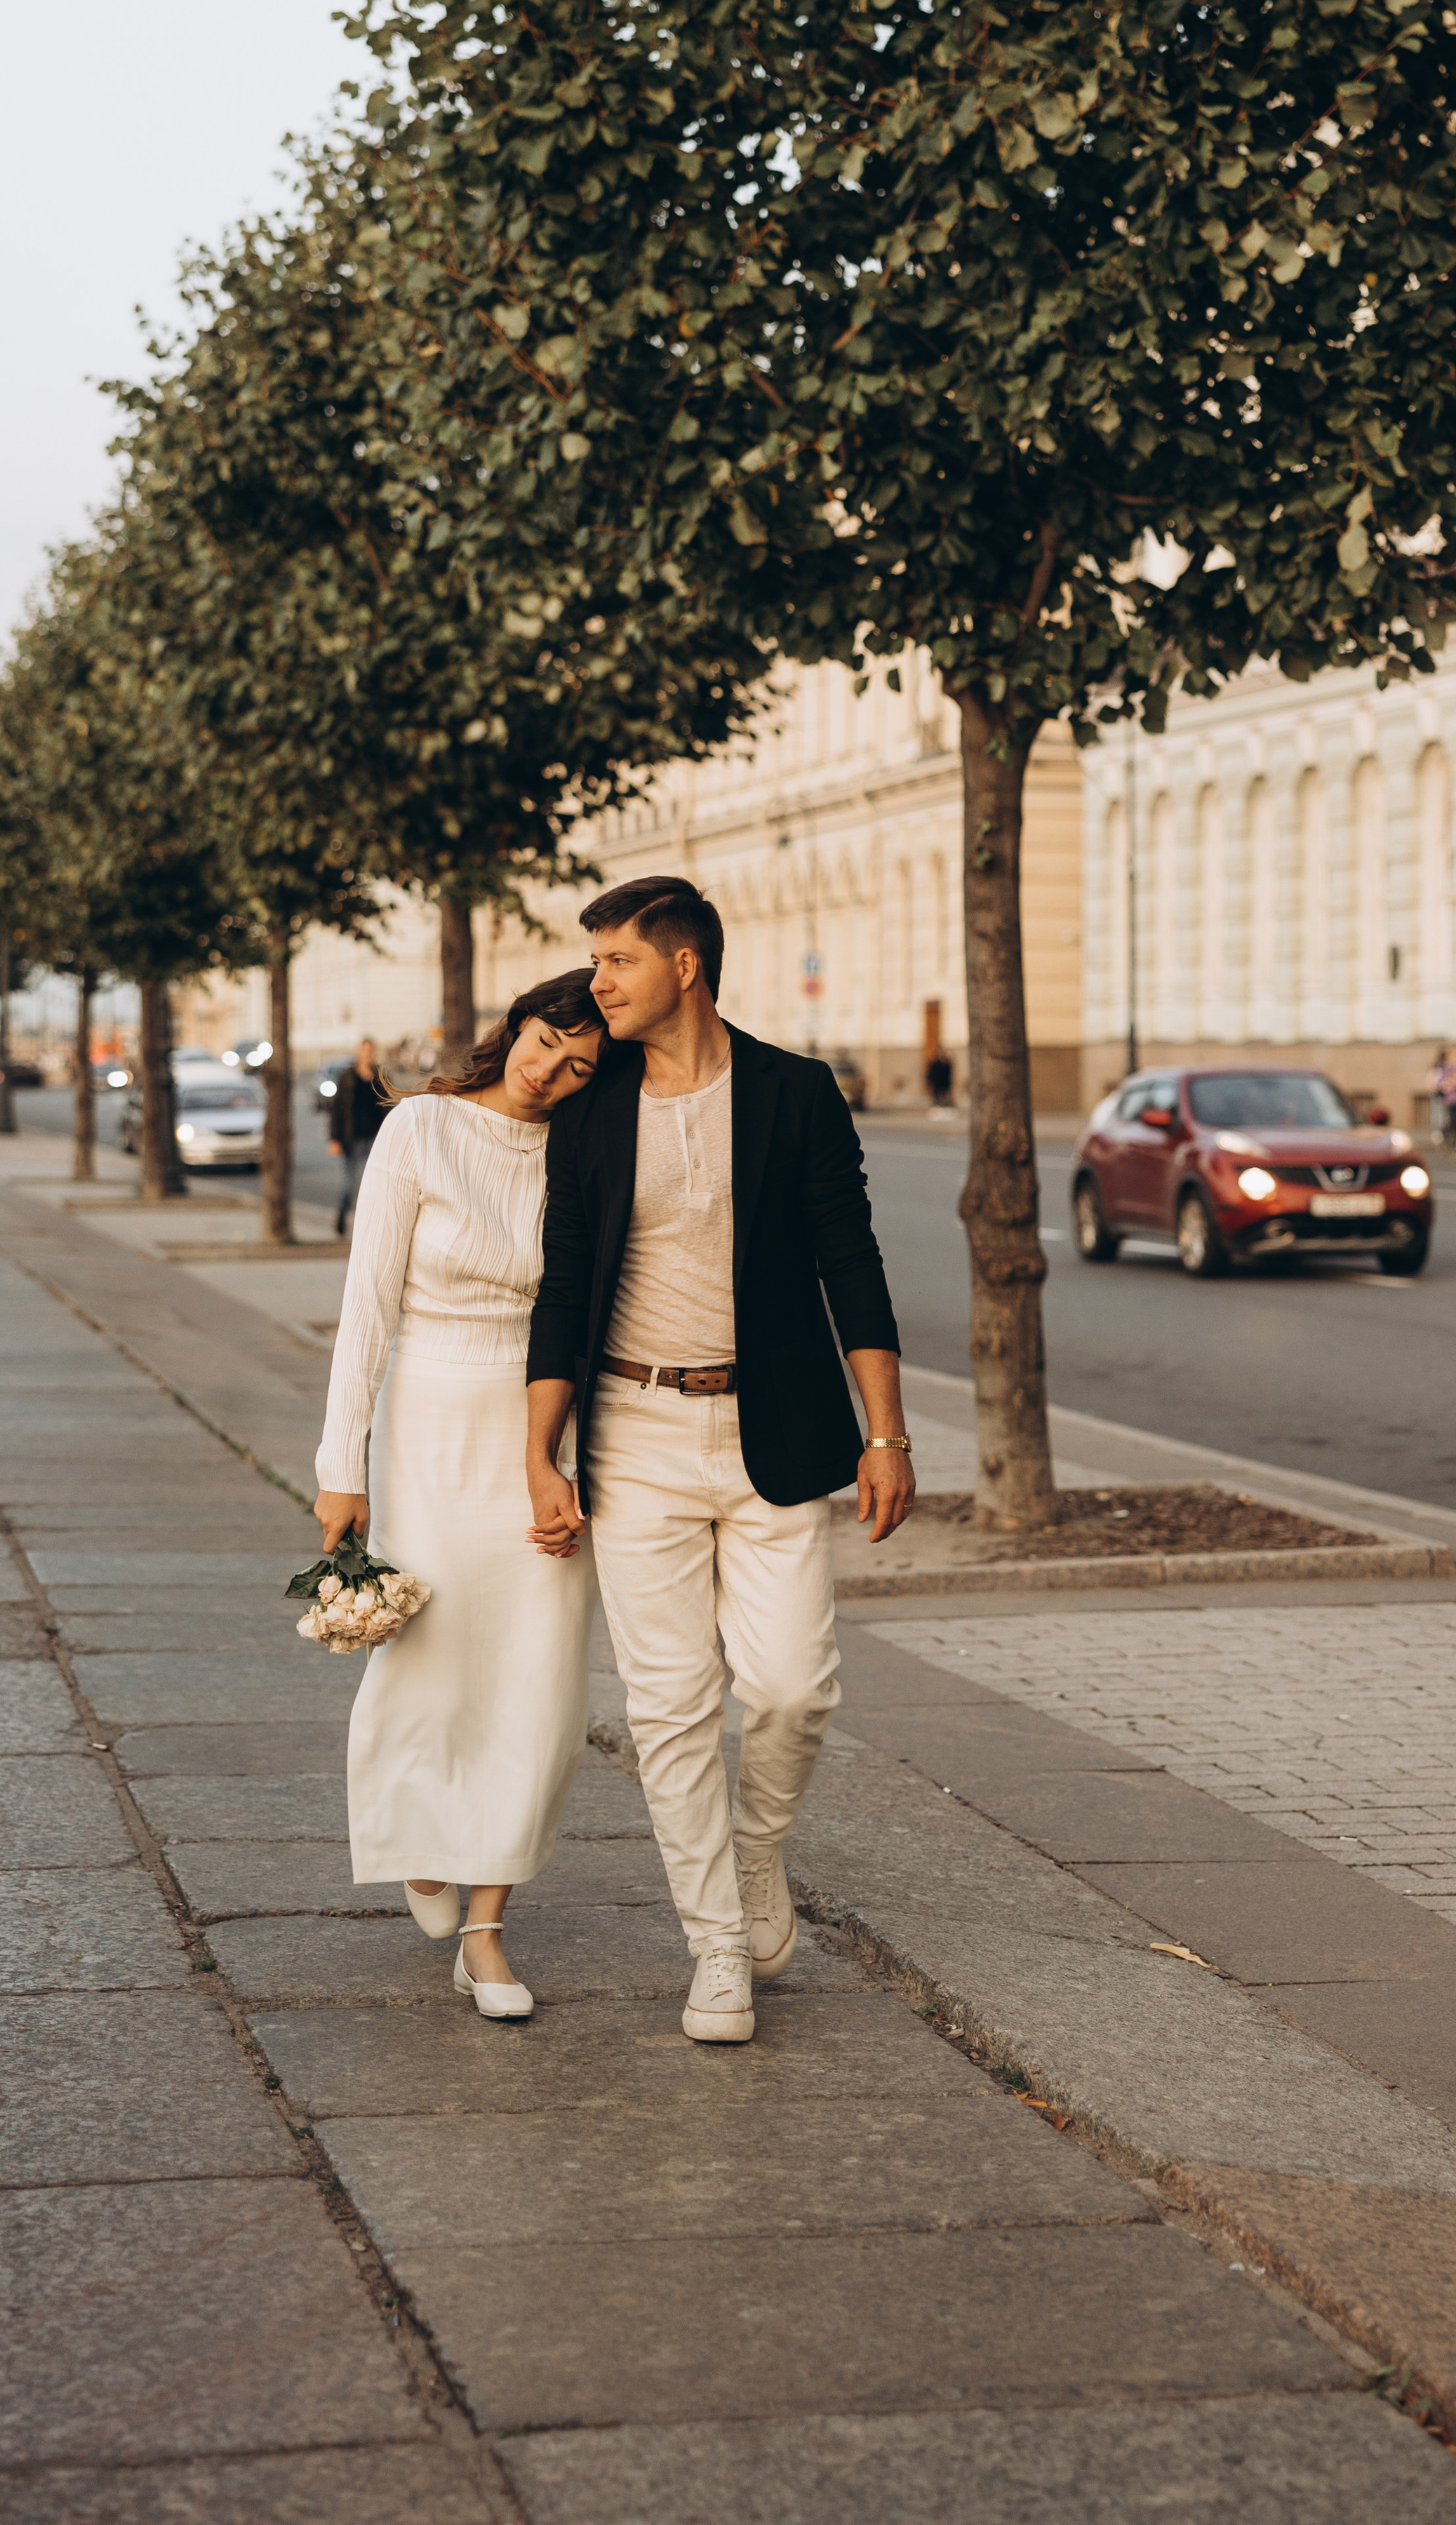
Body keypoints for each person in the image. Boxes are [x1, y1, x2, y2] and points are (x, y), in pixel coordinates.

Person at [525, 876, 914, 2048]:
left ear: (685, 967)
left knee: (793, 1687)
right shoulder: (594, 1107)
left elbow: (852, 1261)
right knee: (670, 1707)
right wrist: (541, 1452)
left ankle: (754, 1855)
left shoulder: (795, 1093)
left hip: (774, 1429)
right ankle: (717, 1948)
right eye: (597, 962)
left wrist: (886, 1431)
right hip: (635, 1430)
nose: (599, 983)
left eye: (619, 961)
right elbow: (563, 1282)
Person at [312, 971, 608, 2020]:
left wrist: (581, 1459)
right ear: (516, 1026)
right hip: (430, 1421)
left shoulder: (583, 1153)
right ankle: (420, 1835)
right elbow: (367, 1310)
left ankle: (487, 1932)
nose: (549, 1071)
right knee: (430, 1661)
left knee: (540, 1677)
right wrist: (341, 1465)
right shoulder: (420, 1129)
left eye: (581, 1067)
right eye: (545, 1041)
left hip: (541, 1428)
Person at [328, 1038, 392, 1235]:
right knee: (350, 1183)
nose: (367, 1055)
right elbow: (337, 1109)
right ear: (358, 1052)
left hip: (374, 1138)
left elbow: (388, 1106)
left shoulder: (380, 1078)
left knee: (372, 1184)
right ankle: (342, 1217)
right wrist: (335, 1139)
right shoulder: (348, 1077)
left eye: (370, 1051)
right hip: (352, 1138)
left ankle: (366, 1224)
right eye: (364, 1051)